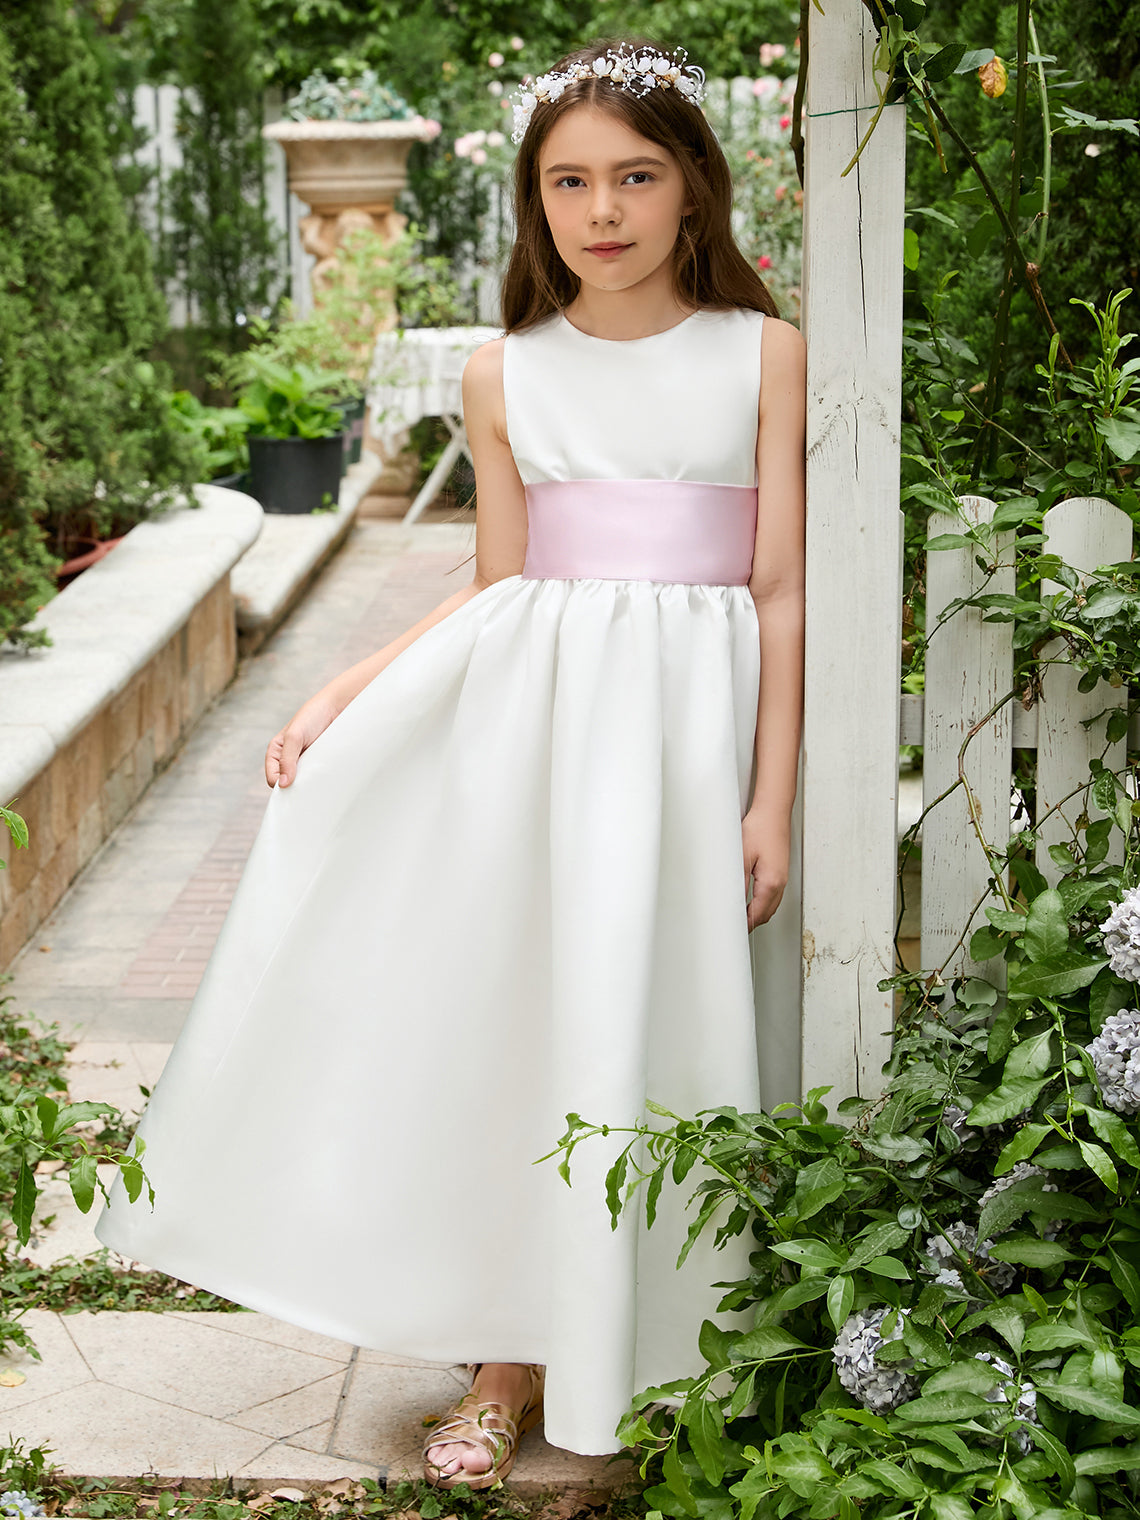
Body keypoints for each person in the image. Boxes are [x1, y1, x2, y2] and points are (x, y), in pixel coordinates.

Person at [95, 34, 806, 1491]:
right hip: (535, 745)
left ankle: (666, 1352)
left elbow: (779, 592)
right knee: (540, 1025)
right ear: (535, 204)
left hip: (686, 747)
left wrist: (768, 795)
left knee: (658, 1030)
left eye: (634, 177)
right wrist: (345, 690)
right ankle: (501, 1359)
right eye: (568, 182)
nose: (600, 211)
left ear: (692, 192)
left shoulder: (761, 355)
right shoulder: (507, 372)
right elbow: (497, 586)